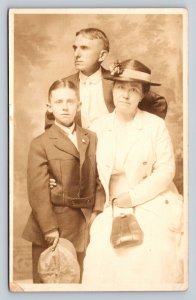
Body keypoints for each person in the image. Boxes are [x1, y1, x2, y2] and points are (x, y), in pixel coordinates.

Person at [82, 59, 184, 289]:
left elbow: (166, 170)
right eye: (120, 88)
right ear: (113, 89)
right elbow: (86, 169)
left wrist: (134, 196)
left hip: (151, 196)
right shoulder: (98, 127)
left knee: (154, 250)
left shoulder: (154, 125)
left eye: (133, 90)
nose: (125, 95)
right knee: (103, 251)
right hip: (111, 201)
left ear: (142, 96)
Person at [22, 79, 105, 283]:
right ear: (49, 107)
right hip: (54, 228)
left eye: (70, 101)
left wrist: (96, 212)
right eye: (59, 102)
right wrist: (49, 228)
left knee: (85, 285)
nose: (65, 107)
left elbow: (101, 176)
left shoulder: (92, 138)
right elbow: (37, 191)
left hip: (87, 225)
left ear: (79, 105)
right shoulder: (40, 144)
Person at [45, 28, 167, 130]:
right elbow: (51, 122)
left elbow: (158, 102)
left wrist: (140, 132)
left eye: (84, 48)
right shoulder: (66, 85)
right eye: (75, 48)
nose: (76, 54)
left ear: (102, 55)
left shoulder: (117, 82)